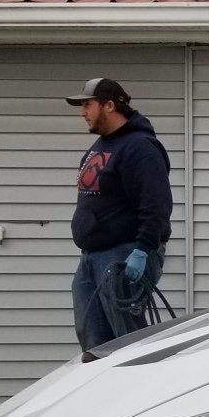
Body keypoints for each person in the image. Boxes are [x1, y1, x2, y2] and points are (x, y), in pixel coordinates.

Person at [67, 78, 171, 350]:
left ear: (109, 105)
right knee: (93, 342)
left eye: (87, 105)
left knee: (127, 342)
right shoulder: (101, 147)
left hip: (124, 255)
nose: (83, 113)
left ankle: (146, 391)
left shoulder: (141, 147)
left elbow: (156, 205)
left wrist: (143, 251)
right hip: (92, 258)